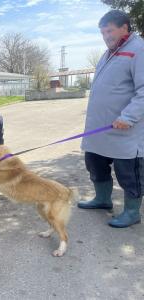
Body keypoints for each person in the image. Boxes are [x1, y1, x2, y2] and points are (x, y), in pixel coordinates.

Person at [78, 10, 144, 228]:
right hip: (99, 130)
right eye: (103, 32)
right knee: (95, 165)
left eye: (109, 30)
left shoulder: (138, 49)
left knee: (129, 173)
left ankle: (132, 212)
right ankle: (102, 199)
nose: (106, 36)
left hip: (125, 130)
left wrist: (128, 116)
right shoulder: (109, 53)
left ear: (124, 28)